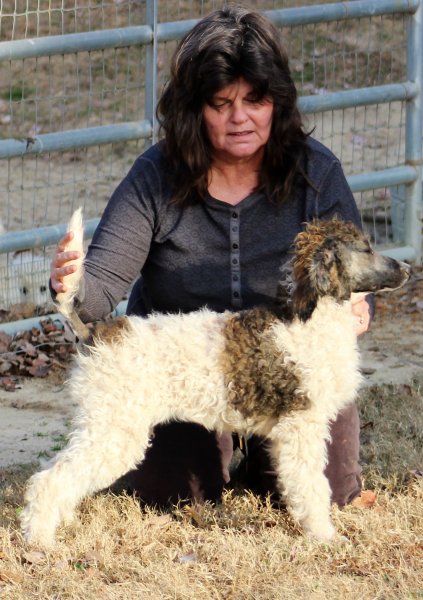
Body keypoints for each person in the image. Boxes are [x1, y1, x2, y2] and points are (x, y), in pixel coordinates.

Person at [50, 7, 372, 509]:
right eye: (221, 103)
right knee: (177, 498)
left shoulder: (318, 173)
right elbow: (98, 295)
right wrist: (71, 282)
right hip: (181, 370)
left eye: (255, 100)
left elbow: (356, 274)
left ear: (277, 102)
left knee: (327, 493)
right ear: (194, 110)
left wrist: (358, 305)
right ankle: (214, 452)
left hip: (286, 370)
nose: (240, 117)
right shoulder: (155, 176)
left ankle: (262, 458)